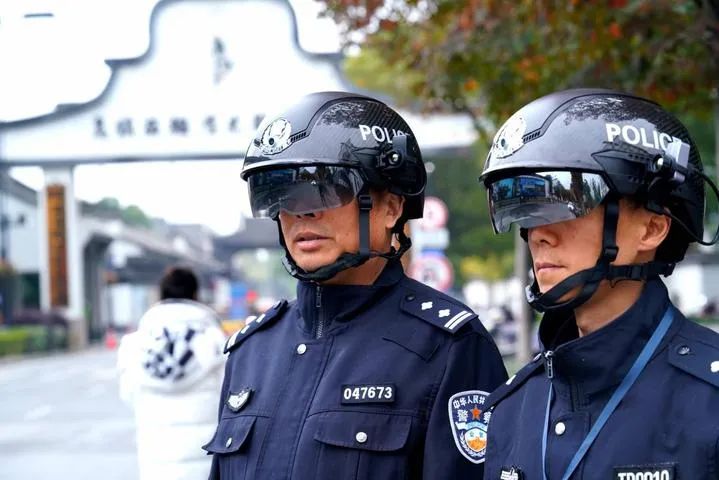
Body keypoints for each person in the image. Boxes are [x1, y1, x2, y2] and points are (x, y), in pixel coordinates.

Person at [202, 91, 508, 479]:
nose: (301, 212)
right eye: (281, 192)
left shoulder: (449, 347)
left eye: (325, 188)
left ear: (391, 208)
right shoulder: (252, 351)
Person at [478, 88, 719, 479]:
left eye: (567, 202)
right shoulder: (512, 408)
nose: (538, 235)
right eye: (528, 210)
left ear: (651, 229)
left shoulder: (709, 400)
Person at [117, 266, 227, 480]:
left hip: (156, 461)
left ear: (161, 295)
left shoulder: (136, 345)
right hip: (205, 464)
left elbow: (128, 396)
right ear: (195, 295)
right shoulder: (214, 341)